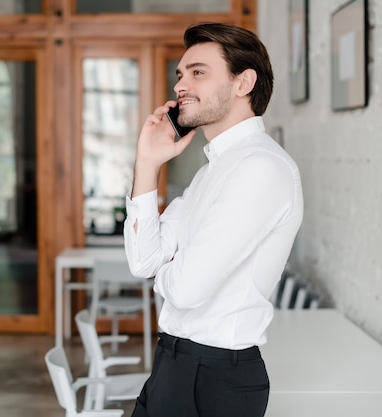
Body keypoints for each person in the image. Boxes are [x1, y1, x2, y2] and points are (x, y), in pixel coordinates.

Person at [123, 22, 304, 417]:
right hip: (174, 364)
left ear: (243, 83)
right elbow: (143, 261)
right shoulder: (211, 172)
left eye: (197, 72)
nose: (180, 85)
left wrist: (171, 269)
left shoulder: (261, 167)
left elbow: (186, 290)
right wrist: (147, 164)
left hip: (213, 377)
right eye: (180, 74)